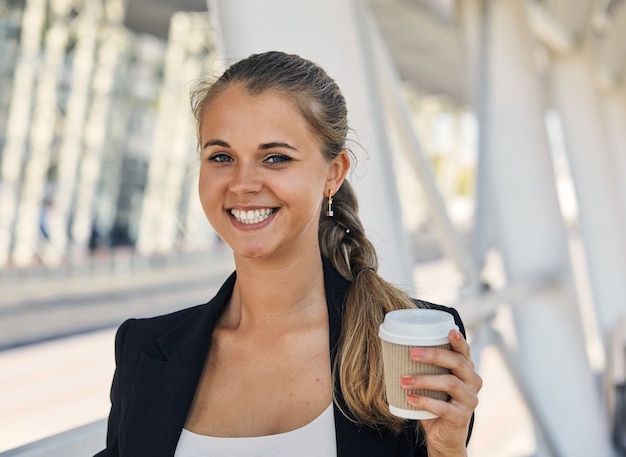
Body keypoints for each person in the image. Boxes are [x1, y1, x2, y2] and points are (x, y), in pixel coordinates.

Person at [95, 50, 482, 457]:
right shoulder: (144, 349)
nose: (243, 183)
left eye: (275, 158)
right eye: (221, 157)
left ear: (333, 173)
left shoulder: (403, 347)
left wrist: (446, 450)